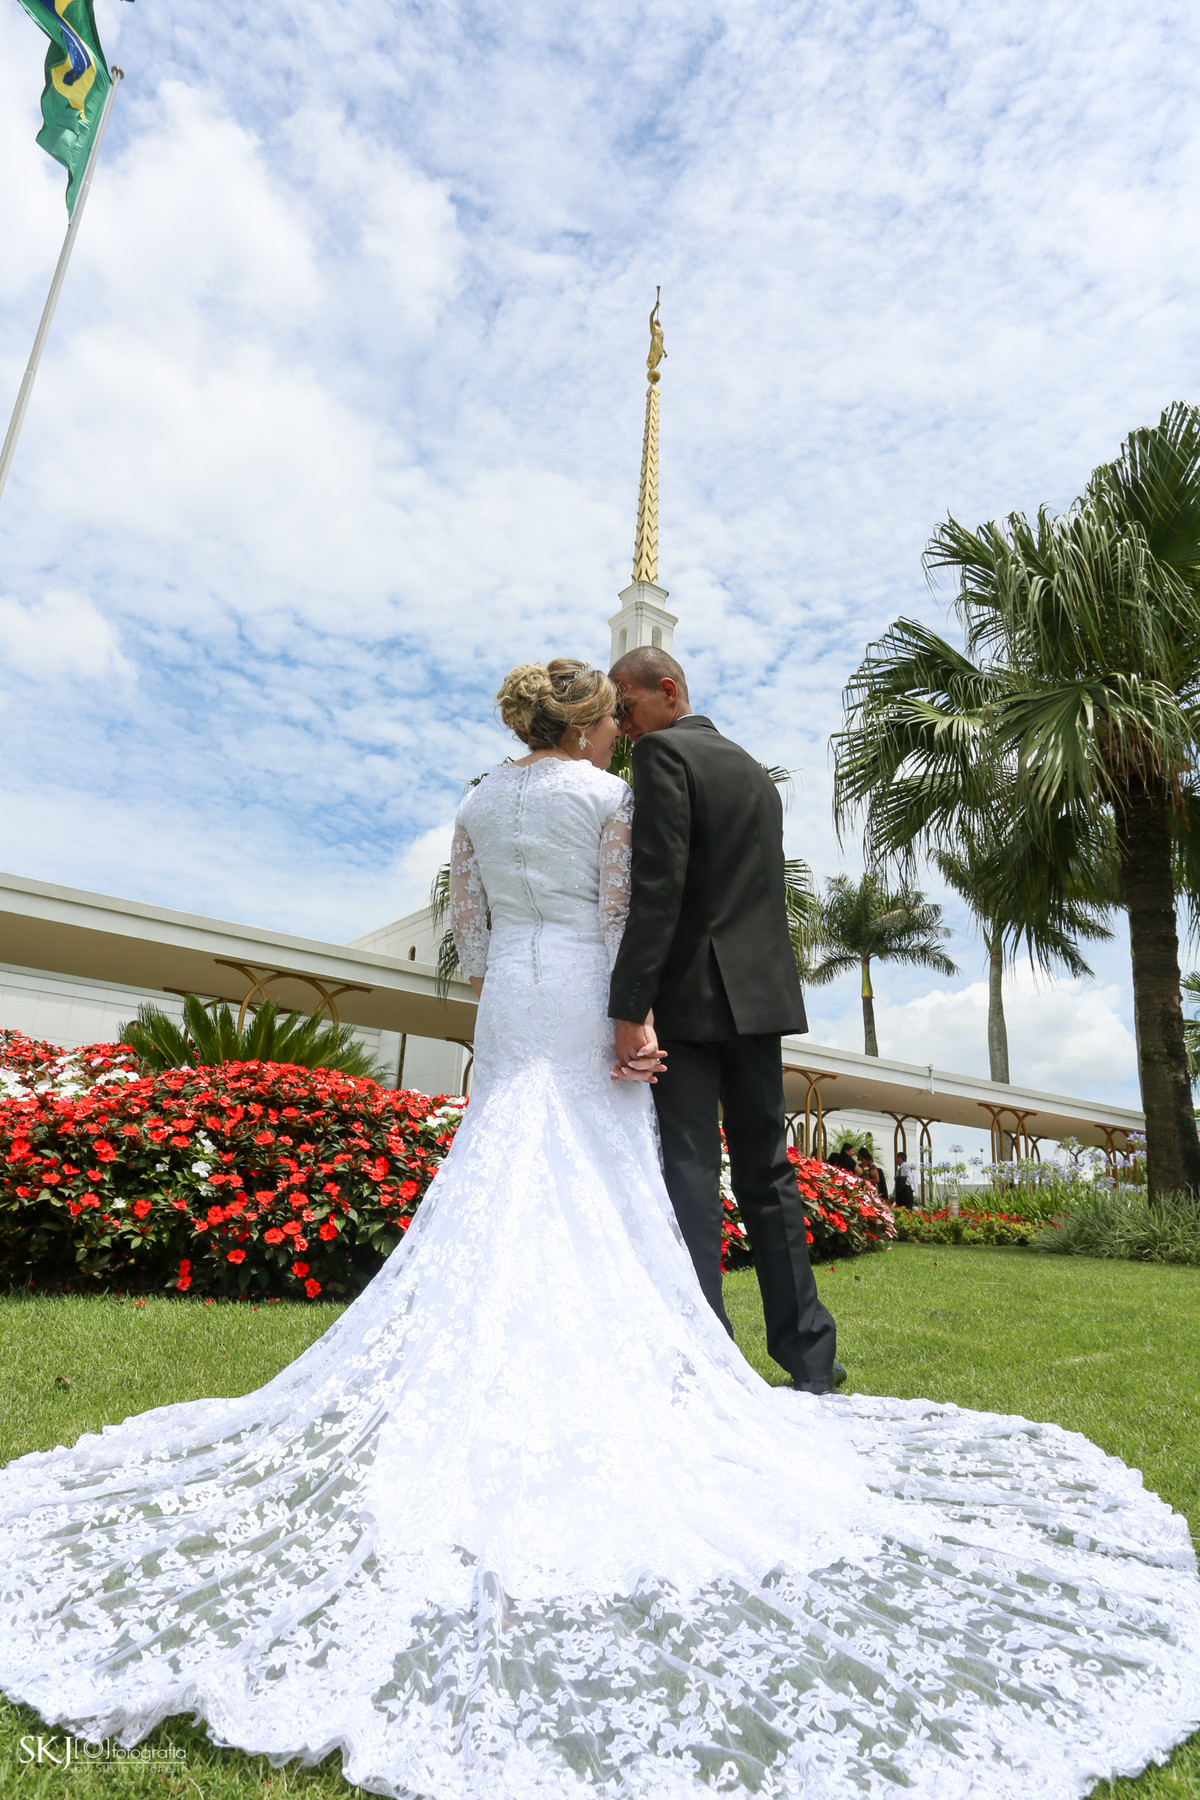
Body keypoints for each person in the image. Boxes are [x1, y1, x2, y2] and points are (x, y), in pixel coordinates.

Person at [1, 655, 1200, 1800]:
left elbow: (468, 925)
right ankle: (741, 1355)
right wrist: (628, 1014)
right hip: (597, 990)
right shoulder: (625, 791)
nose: (621, 728)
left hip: (517, 995)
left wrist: (523, 966)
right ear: (588, 722)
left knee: (509, 1163)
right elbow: (638, 910)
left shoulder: (479, 802)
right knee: (649, 1170)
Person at [607, 646, 840, 1394]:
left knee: (691, 1171)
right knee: (769, 1172)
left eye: (627, 704)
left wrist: (628, 1002)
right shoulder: (752, 772)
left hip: (691, 998)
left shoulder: (663, 755)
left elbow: (660, 886)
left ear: (666, 692)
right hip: (760, 997)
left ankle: (705, 1362)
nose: (622, 721)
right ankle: (811, 1360)